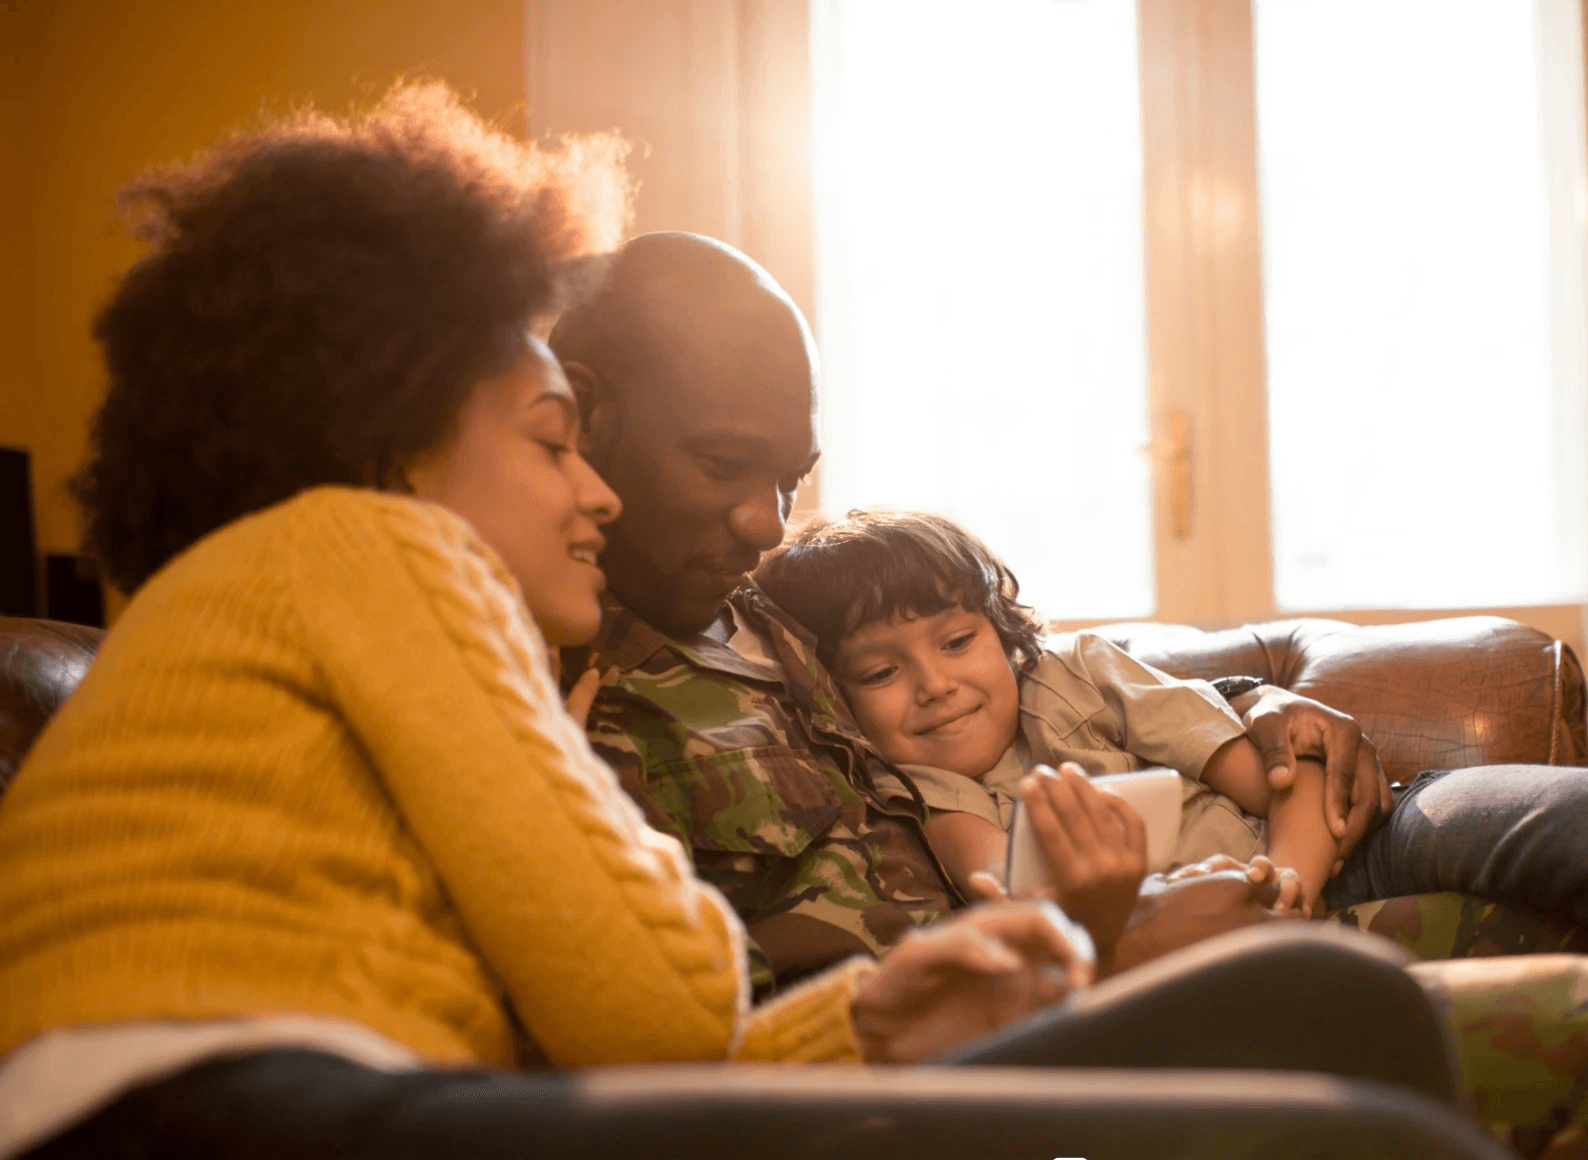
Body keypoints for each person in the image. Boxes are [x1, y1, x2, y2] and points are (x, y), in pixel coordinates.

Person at [0, 83, 1105, 1160]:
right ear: (398, 444)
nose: (598, 489)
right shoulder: (384, 548)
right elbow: (654, 1009)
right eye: (552, 440)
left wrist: (868, 1028)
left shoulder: (299, 606)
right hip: (204, 1100)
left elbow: (637, 1080)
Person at [554, 230, 1588, 1145]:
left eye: (789, 478)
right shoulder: (571, 693)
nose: (765, 521)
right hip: (998, 1059)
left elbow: (1028, 663)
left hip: (1155, 934)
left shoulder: (776, 606)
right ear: (588, 415)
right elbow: (716, 1046)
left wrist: (1253, 703)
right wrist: (1106, 948)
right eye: (722, 462)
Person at [751, 508, 1348, 943]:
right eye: (881, 672)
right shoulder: (916, 788)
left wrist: (1292, 883)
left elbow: (1287, 777)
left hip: (1323, 866)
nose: (935, 685)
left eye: (958, 641)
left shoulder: (1082, 672)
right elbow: (1017, 893)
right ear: (838, 697)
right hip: (1209, 939)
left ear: (1001, 631)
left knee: (1445, 819)